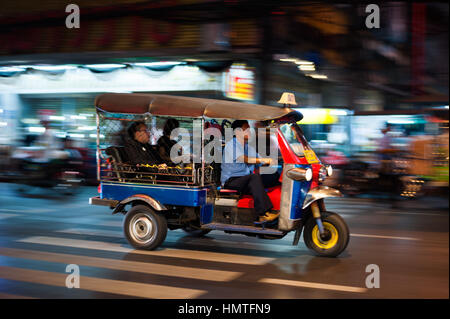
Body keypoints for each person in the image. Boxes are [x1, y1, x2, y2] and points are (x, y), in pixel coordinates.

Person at [221, 120, 278, 223]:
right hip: (232, 181)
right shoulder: (231, 145)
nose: (249, 132)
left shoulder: (248, 147)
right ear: (237, 132)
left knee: (274, 175)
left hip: (245, 179)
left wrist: (274, 160)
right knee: (254, 177)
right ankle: (263, 213)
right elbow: (245, 159)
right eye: (246, 129)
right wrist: (263, 160)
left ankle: (277, 207)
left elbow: (260, 160)